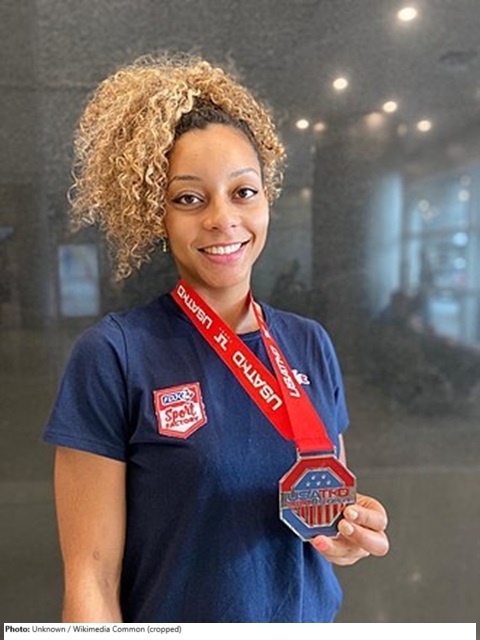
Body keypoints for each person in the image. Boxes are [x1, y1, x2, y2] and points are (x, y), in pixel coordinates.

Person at [43, 53, 389, 623]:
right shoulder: (115, 355)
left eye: (243, 192)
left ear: (267, 199)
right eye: (189, 198)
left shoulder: (309, 344)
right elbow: (91, 581)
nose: (222, 219)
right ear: (157, 215)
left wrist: (347, 536)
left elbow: (322, 523)